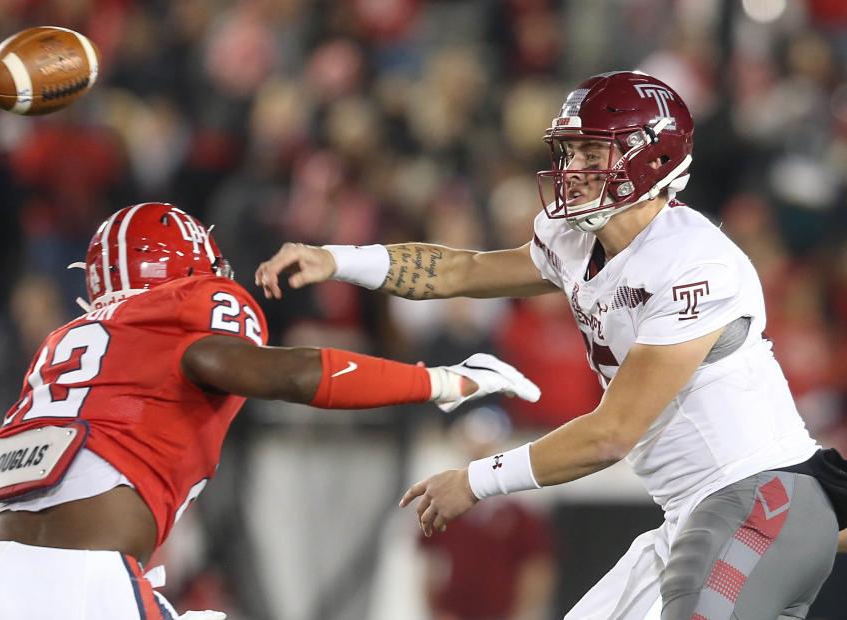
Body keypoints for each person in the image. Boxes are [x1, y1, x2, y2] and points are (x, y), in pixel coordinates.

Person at [255, 71, 847, 619]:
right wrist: (339, 259)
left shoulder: (696, 262)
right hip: (692, 516)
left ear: (652, 155)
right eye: (570, 151)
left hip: (760, 496)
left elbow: (612, 434)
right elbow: (461, 272)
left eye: (593, 152)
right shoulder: (571, 240)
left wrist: (477, 479)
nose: (574, 168)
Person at [0, 202, 541, 620]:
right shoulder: (189, 306)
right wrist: (438, 381)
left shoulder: (65, 341)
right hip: (82, 582)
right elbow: (289, 374)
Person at [416, 407, 554, 620]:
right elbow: (430, 563)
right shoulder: (444, 505)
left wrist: (522, 613)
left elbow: (535, 569)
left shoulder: (519, 513)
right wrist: (435, 610)